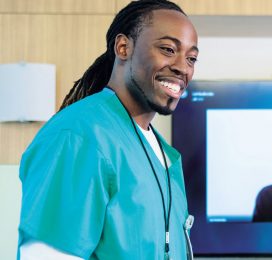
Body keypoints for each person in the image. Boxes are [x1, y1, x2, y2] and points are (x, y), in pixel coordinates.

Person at [17, 0, 198, 259]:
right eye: (168, 49)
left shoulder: (160, 152)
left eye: (191, 58)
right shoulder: (78, 136)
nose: (183, 67)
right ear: (123, 47)